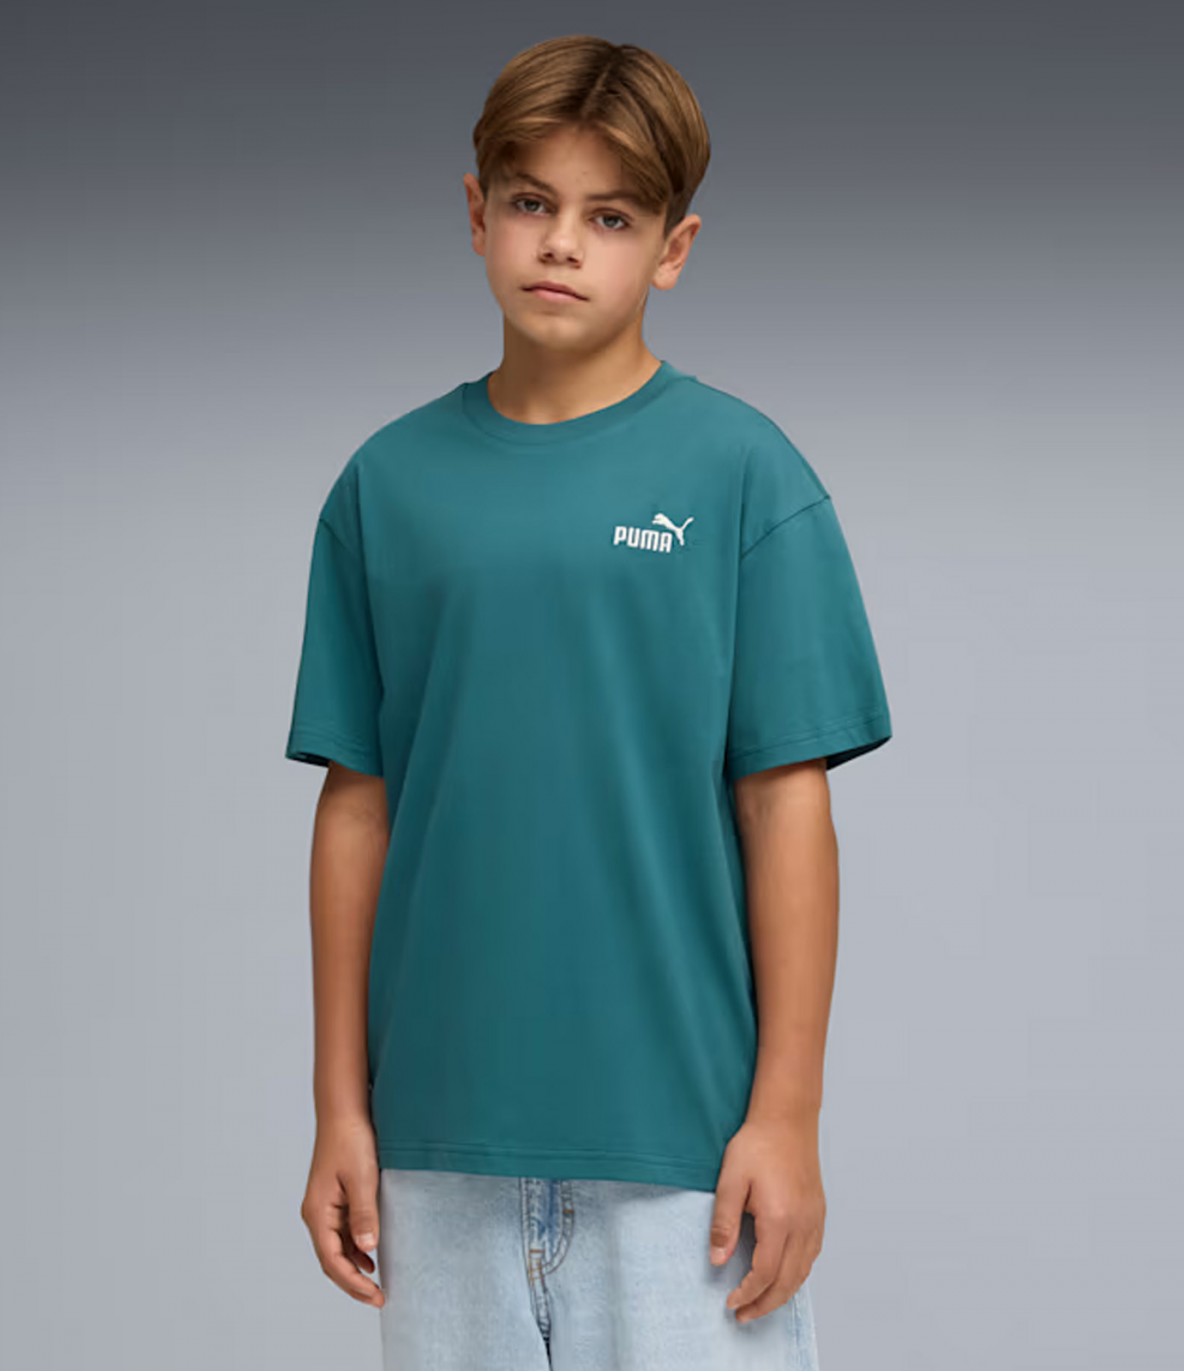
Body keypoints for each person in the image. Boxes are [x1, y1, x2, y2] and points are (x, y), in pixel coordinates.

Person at [286, 33, 892, 1372]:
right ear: (476, 213)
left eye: (610, 217)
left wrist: (787, 1115)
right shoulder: (386, 489)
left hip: (685, 1158)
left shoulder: (745, 477)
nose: (562, 243)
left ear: (673, 248)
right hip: (438, 1151)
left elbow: (787, 806)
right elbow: (356, 805)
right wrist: (340, 1108)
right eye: (532, 203)